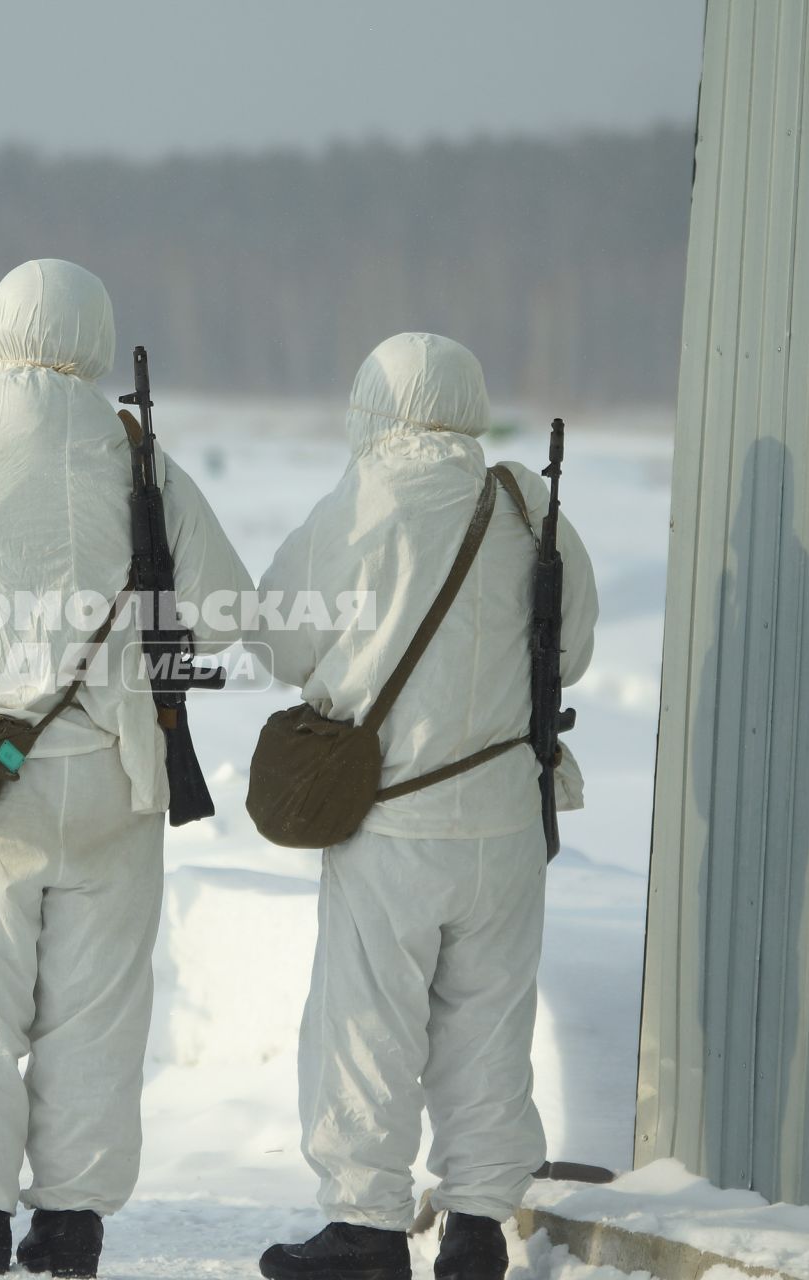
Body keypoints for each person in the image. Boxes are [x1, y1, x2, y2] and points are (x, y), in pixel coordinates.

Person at [0, 259, 253, 1275]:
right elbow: (221, 607)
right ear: (93, 339)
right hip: (116, 776)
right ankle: (71, 1217)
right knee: (96, 1009)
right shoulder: (142, 461)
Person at [251, 333, 598, 1280]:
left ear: (374, 404)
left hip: (391, 821)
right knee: (490, 1025)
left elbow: (279, 640)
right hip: (507, 823)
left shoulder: (363, 501)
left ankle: (365, 1229)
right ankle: (480, 1227)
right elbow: (570, 649)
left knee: (366, 1027)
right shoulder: (531, 504)